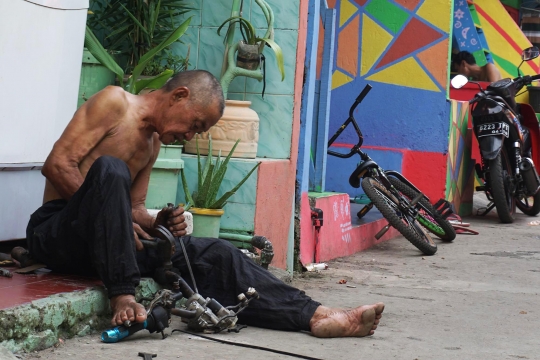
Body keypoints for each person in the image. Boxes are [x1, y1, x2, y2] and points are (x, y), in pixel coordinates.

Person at [25, 70, 384, 338]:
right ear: (179, 95)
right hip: (58, 233)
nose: (190, 135)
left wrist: (156, 221)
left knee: (218, 253)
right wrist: (116, 215)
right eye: (195, 124)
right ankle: (122, 296)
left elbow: (133, 209)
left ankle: (317, 316)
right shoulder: (115, 102)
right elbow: (58, 164)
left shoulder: (151, 144)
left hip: (106, 247)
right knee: (110, 168)